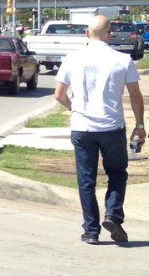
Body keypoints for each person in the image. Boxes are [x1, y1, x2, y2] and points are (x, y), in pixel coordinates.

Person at [54, 14, 146, 245]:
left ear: (87, 34)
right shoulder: (122, 60)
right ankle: (113, 215)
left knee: (86, 179)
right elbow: (135, 96)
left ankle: (91, 231)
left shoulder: (72, 59)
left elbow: (59, 95)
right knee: (117, 173)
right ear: (109, 35)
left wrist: (75, 109)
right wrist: (140, 125)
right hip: (112, 127)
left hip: (82, 127)